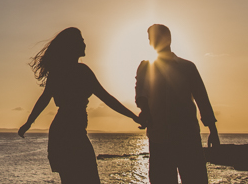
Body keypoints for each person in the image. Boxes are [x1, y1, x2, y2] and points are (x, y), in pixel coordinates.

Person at [18, 27, 141, 184]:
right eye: (81, 41)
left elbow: (44, 99)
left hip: (61, 133)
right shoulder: (81, 71)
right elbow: (107, 98)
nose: (84, 44)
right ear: (73, 45)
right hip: (71, 135)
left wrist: (28, 123)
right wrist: (133, 117)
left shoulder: (58, 72)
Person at [135, 24, 219, 184]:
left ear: (168, 39)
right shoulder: (145, 67)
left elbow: (202, 99)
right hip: (159, 138)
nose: (152, 42)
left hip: (188, 138)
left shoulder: (188, 67)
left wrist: (213, 130)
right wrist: (144, 110)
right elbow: (141, 93)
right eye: (151, 39)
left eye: (154, 38)